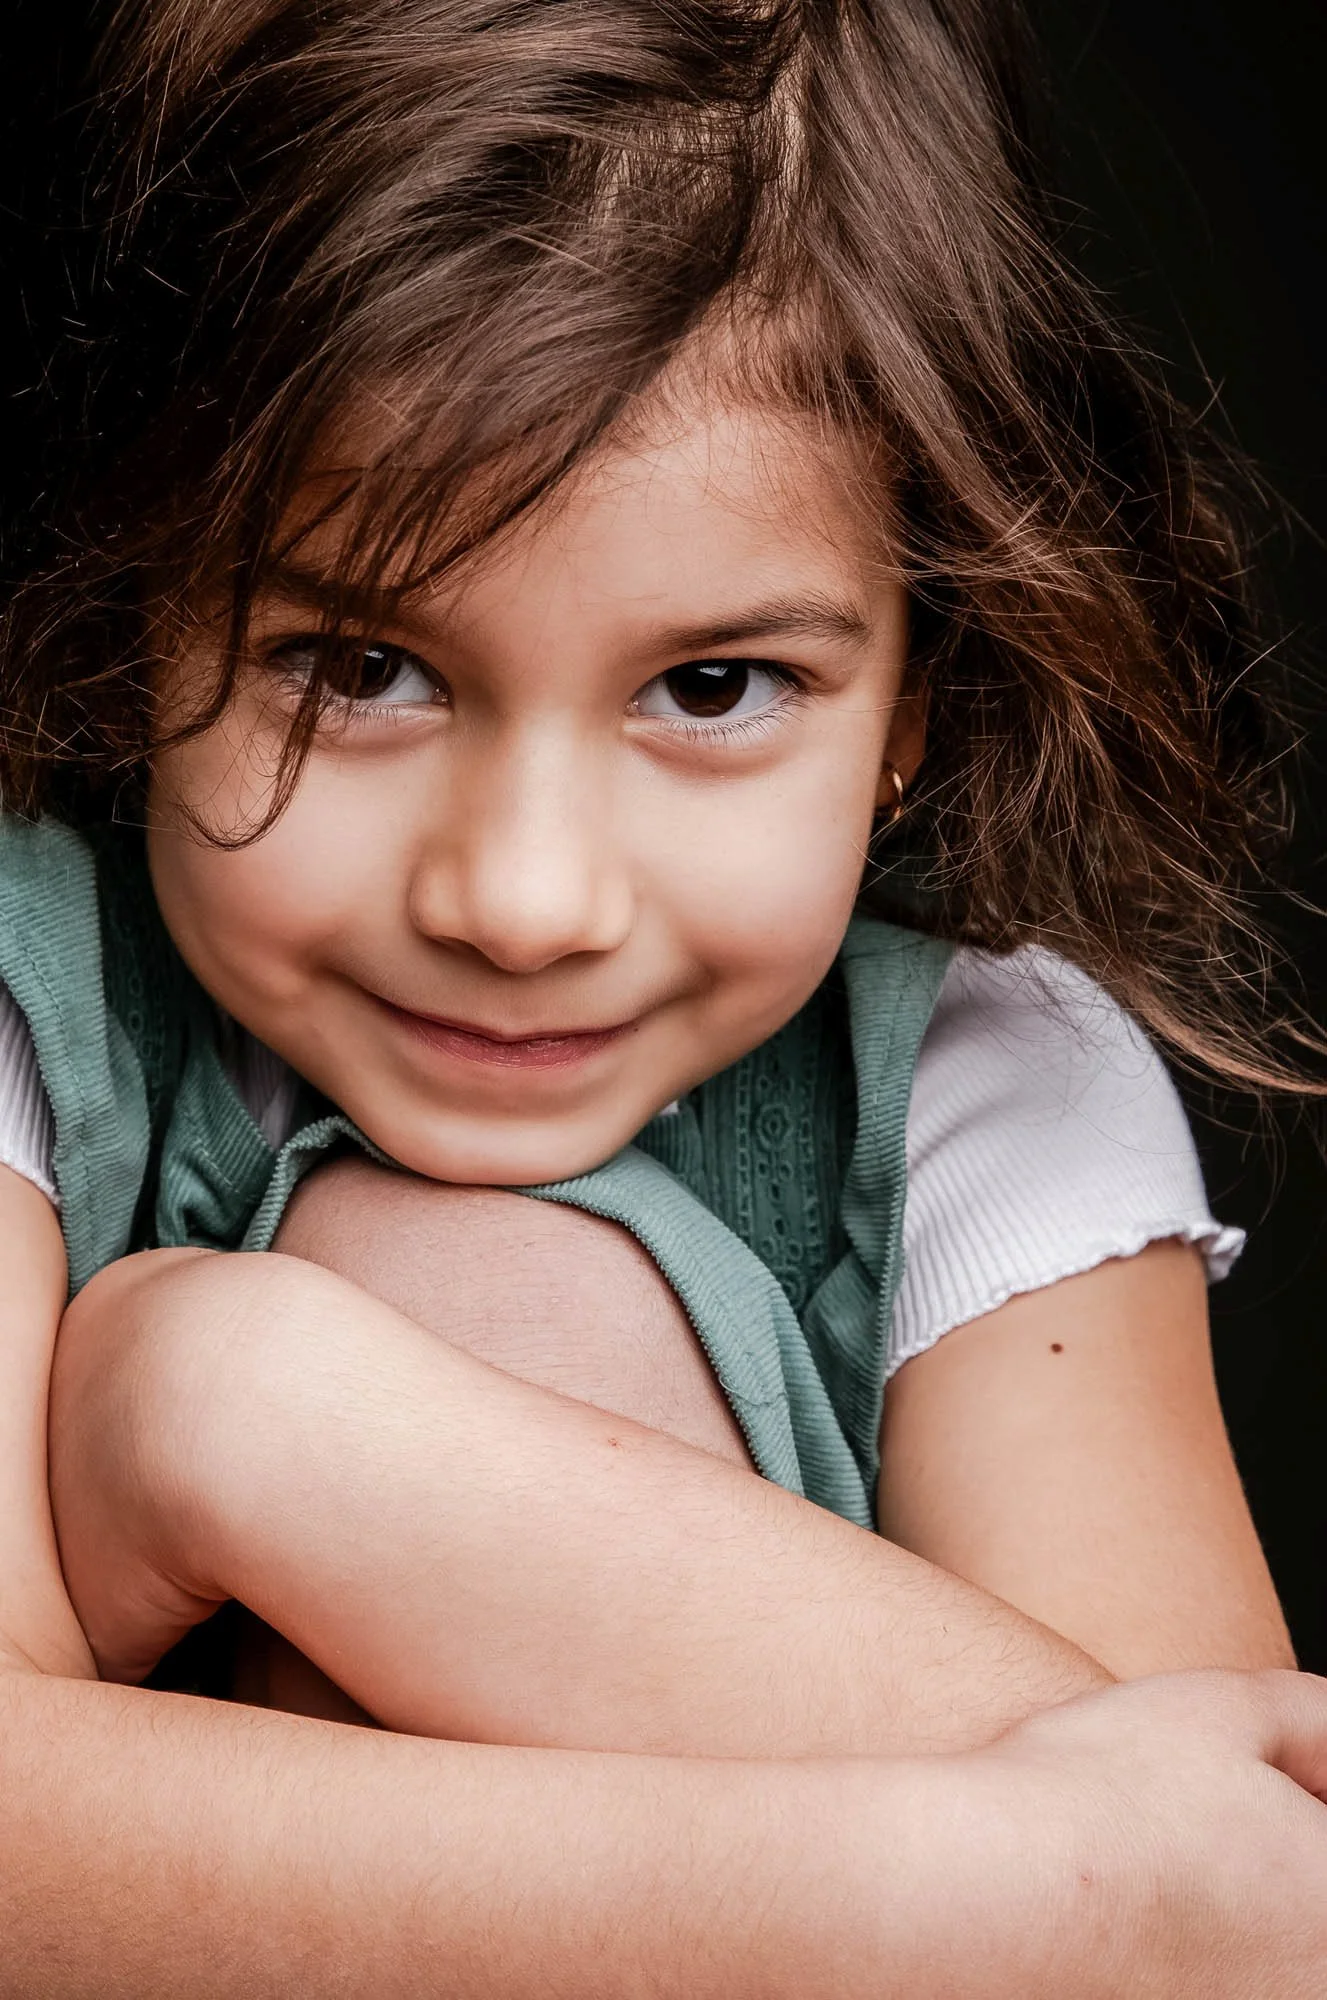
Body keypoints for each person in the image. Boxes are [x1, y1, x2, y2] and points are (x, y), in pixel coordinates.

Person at [1, 0, 1326, 1990]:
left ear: (916, 700)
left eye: (713, 686)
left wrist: (243, 1427)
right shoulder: (29, 1001)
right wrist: (960, 1902)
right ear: (138, 605)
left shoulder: (996, 1089)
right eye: (359, 665)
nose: (526, 899)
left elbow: (1250, 1885)